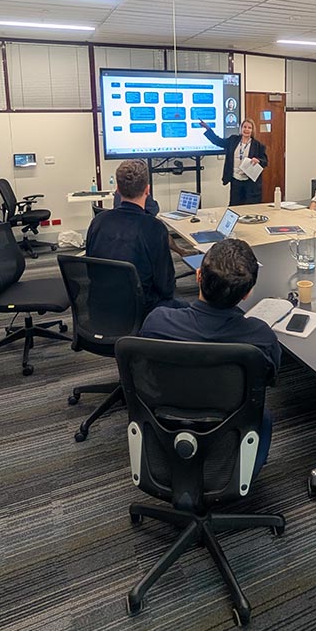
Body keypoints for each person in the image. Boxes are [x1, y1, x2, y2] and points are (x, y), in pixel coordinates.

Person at [139, 238, 280, 470]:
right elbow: (270, 379)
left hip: (165, 426)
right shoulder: (261, 339)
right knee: (264, 416)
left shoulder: (157, 321)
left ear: (198, 276)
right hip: (230, 435)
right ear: (248, 293)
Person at [86, 159, 186, 313]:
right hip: (143, 311)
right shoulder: (154, 228)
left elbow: (90, 269)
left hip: (100, 307)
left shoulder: (98, 221)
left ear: (117, 190)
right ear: (147, 190)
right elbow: (166, 286)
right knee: (189, 310)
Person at [199, 118, 268, 206]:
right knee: (235, 206)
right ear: (241, 128)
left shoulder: (258, 145)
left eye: (249, 128)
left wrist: (258, 160)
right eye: (244, 127)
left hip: (250, 182)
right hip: (236, 180)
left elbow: (265, 161)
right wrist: (208, 129)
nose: (246, 129)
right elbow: (218, 141)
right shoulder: (233, 140)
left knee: (250, 207)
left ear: (252, 130)